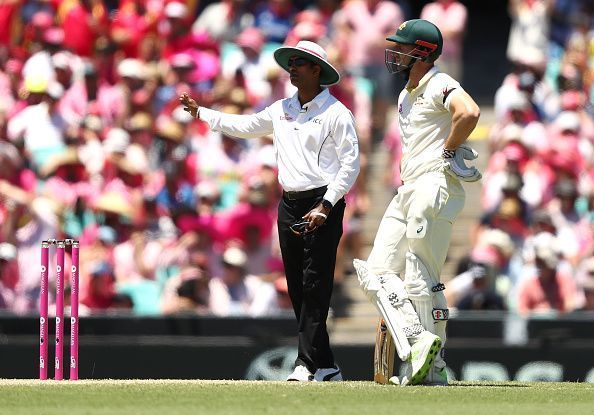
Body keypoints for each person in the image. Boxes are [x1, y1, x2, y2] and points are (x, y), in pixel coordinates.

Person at [180, 40, 360, 382]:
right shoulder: (282, 109)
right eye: (290, 62)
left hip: (322, 201)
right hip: (290, 203)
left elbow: (350, 165)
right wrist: (202, 113)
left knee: (315, 283)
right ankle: (326, 364)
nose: (292, 68)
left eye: (299, 63)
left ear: (317, 71)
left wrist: (327, 204)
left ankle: (306, 364)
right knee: (296, 285)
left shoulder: (337, 113)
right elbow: (247, 126)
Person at [353, 19, 481, 386]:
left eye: (402, 47)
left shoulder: (439, 82)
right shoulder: (405, 93)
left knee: (420, 278)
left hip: (435, 186)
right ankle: (420, 340)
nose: (394, 52)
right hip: (408, 188)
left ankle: (432, 368)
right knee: (375, 270)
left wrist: (448, 150)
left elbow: (469, 112)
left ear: (422, 52)